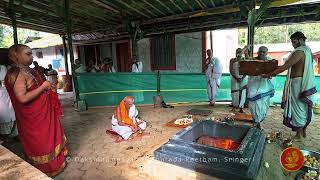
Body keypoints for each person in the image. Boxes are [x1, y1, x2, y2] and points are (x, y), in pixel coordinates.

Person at [5, 44, 68, 177]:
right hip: (33, 118)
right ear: (16, 56)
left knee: (49, 138)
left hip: (43, 113)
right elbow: (22, 98)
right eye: (28, 54)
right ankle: (46, 169)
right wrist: (43, 87)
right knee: (42, 142)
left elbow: (39, 87)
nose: (31, 56)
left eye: (31, 54)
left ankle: (57, 164)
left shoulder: (31, 71)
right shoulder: (17, 74)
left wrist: (48, 87)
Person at [262, 32, 317, 139]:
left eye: (294, 42)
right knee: (303, 107)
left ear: (301, 40)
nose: (292, 44)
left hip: (298, 83)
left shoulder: (300, 51)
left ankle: (299, 134)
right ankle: (303, 131)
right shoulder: (308, 51)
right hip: (301, 83)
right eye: (292, 42)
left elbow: (286, 66)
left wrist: (270, 74)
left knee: (298, 107)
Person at [248, 46, 274, 129]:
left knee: (263, 104)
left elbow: (272, 73)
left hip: (264, 86)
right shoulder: (252, 60)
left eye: (264, 52)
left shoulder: (269, 61)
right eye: (260, 51)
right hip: (253, 86)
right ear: (258, 52)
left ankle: (258, 122)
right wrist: (246, 50)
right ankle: (255, 121)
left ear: (266, 53)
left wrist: (269, 75)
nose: (262, 53)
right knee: (253, 105)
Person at [0, 64, 18, 142]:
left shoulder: (4, 67)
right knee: (5, 122)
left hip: (9, 103)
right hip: (4, 106)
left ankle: (13, 136)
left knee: (12, 119)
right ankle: (5, 139)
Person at [230, 48, 248, 113]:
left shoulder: (244, 60)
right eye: (237, 52)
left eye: (240, 52)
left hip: (243, 78)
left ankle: (241, 107)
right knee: (234, 92)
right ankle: (235, 105)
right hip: (234, 78)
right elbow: (231, 70)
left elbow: (247, 70)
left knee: (242, 92)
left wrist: (242, 78)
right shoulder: (232, 60)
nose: (238, 53)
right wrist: (236, 78)